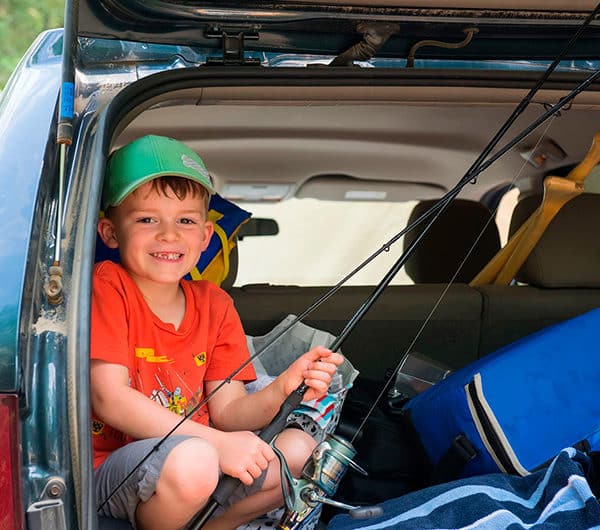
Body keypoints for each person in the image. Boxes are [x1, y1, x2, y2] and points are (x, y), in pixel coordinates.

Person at [90, 135, 344, 530]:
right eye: (146, 219)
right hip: (116, 470)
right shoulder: (108, 286)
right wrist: (217, 444)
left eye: (186, 220)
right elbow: (110, 399)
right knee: (196, 461)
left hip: (200, 462)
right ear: (109, 232)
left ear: (205, 236)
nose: (168, 235)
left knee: (298, 452)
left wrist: (282, 388)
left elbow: (227, 413)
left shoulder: (215, 304)